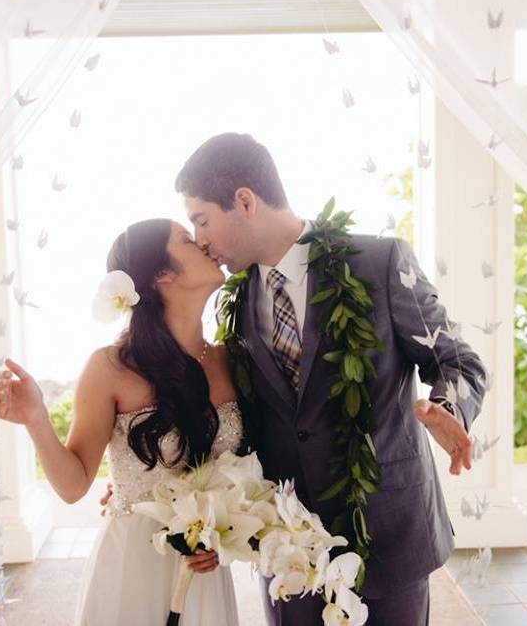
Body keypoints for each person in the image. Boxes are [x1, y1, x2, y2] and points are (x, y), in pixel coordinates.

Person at [173, 132, 488, 625]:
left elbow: (457, 361)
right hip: (288, 549)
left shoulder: (381, 263)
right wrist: (166, 482)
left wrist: (448, 409)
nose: (201, 241)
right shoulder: (232, 305)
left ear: (244, 201)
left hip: (390, 530)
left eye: (202, 220)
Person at [0, 219, 243, 625]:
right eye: (186, 240)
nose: (204, 245)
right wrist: (36, 419)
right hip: (133, 564)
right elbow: (73, 486)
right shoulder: (110, 367)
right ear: (161, 274)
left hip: (205, 572)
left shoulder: (230, 360)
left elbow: (250, 470)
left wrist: (228, 534)